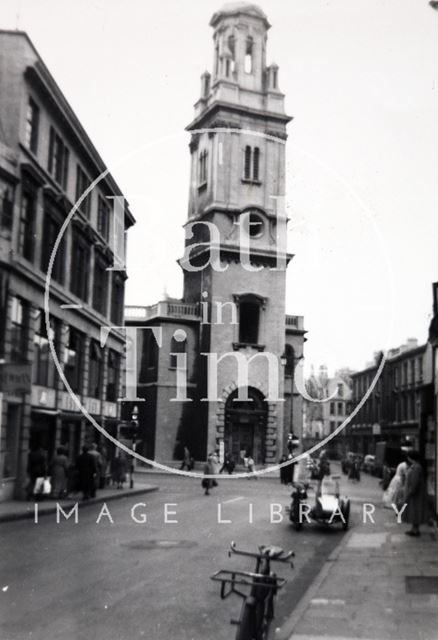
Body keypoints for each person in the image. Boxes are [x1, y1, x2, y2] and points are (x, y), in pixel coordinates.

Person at [403, 451, 428, 537]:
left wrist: (410, 492)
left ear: (410, 457)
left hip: (415, 495)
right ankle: (414, 529)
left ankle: (416, 530)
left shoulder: (416, 468)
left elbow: (414, 482)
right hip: (415, 494)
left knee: (415, 511)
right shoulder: (415, 466)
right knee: (414, 512)